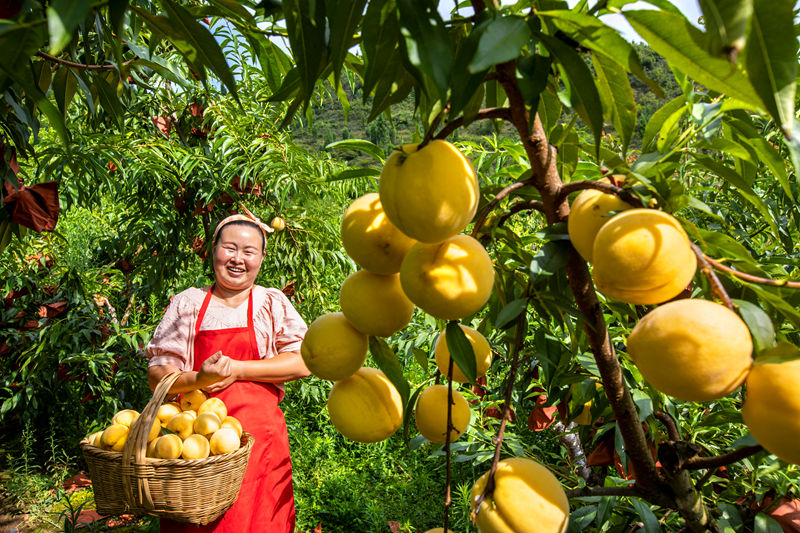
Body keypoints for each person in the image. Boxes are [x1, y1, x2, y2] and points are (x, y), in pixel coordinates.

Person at [145, 208, 310, 532]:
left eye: (249, 251)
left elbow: (302, 362)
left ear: (261, 258)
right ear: (213, 251)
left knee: (261, 521)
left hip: (261, 445)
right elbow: (157, 375)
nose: (238, 258)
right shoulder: (188, 303)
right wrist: (200, 379)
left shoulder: (270, 302)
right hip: (197, 449)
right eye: (229, 248)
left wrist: (237, 369)